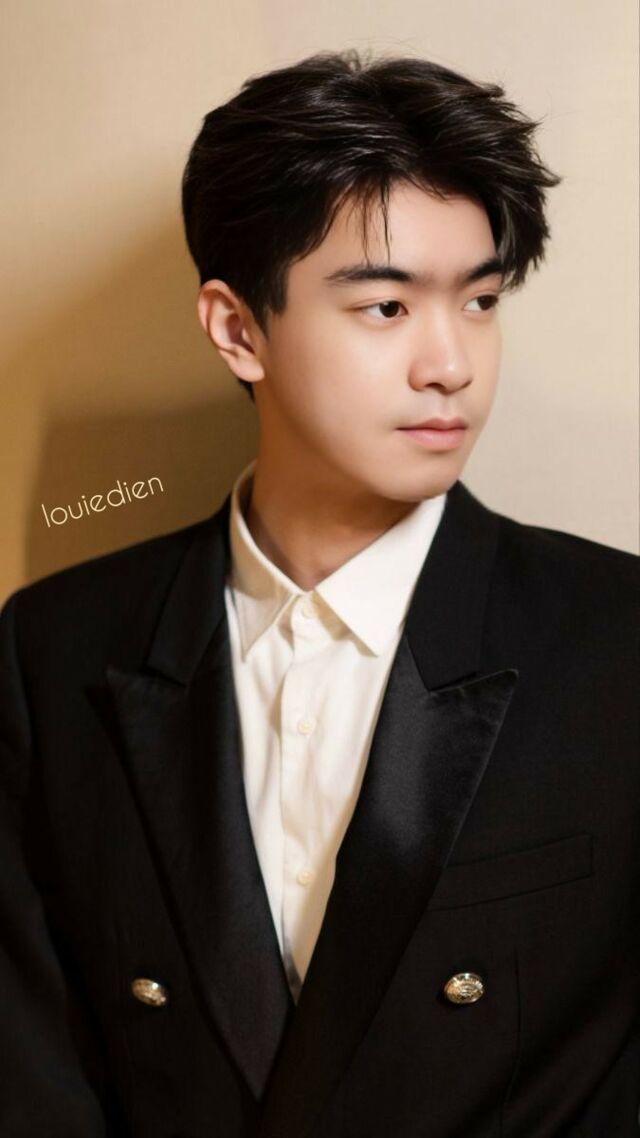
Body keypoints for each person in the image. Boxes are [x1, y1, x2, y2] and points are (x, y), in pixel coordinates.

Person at [0, 48, 638, 1138]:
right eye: (385, 306)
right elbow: (29, 1062)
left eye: (481, 300)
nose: (451, 363)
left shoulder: (614, 637)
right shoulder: (54, 648)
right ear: (237, 329)